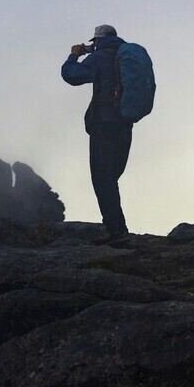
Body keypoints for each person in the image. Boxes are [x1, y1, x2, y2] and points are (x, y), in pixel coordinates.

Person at [61, 24, 132, 238]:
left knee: (102, 178)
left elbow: (72, 75)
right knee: (112, 176)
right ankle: (118, 229)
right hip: (125, 123)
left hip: (103, 123)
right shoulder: (126, 55)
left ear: (97, 40)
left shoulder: (101, 56)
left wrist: (73, 56)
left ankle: (117, 232)